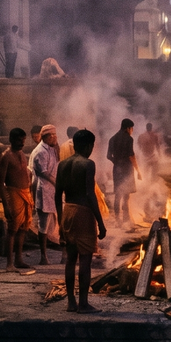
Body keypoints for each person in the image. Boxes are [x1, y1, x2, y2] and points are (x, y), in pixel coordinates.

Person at [55, 129, 106, 313]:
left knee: (70, 259)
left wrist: (61, 220)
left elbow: (57, 194)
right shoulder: (88, 164)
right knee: (85, 260)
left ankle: (71, 303)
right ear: (88, 146)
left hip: (68, 210)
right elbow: (90, 194)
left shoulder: (62, 165)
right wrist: (100, 221)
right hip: (83, 212)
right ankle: (83, 303)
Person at [0, 127, 34, 268]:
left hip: (25, 193)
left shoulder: (22, 154)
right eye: (19, 140)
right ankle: (9, 263)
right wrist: (5, 205)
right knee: (12, 229)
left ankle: (19, 259)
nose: (22, 143)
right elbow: (1, 184)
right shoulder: (6, 156)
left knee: (23, 228)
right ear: (11, 140)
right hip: (13, 194)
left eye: (23, 140)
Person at [30, 124, 62, 264]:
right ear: (46, 137)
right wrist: (57, 183)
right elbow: (44, 173)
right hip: (44, 191)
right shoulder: (40, 152)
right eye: (52, 135)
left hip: (54, 191)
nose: (55, 137)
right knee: (43, 226)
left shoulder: (52, 148)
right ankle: (44, 257)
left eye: (55, 134)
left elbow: (57, 164)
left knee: (58, 222)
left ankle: (64, 255)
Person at [107, 118, 139, 221]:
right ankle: (126, 217)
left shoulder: (112, 139)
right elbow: (131, 156)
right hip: (127, 170)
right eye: (131, 128)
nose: (132, 130)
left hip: (117, 169)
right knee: (126, 195)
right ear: (127, 128)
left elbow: (108, 156)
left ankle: (117, 219)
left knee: (118, 195)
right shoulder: (129, 139)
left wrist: (116, 162)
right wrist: (138, 170)